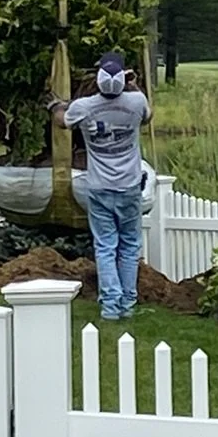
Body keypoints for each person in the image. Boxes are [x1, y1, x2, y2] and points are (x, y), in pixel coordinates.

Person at [61, 49, 151, 321]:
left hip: (99, 187)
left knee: (105, 246)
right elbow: (148, 116)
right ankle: (128, 303)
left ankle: (110, 306)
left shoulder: (84, 107)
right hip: (129, 187)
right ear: (123, 77)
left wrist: (55, 105)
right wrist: (132, 83)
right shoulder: (136, 102)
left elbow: (62, 121)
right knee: (130, 245)